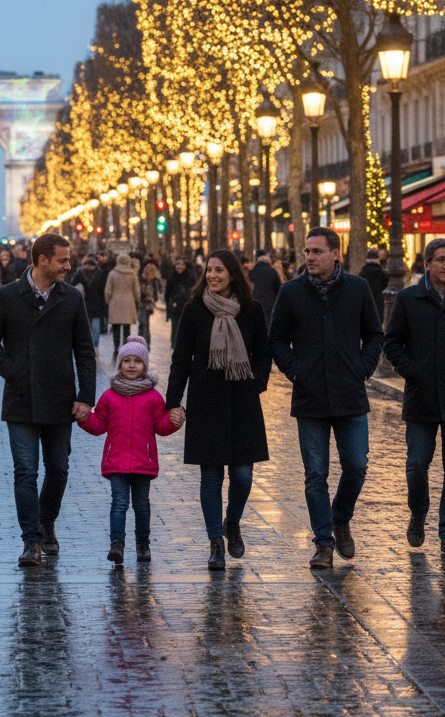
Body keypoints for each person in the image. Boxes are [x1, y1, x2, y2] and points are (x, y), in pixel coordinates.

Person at [268, 227, 384, 568]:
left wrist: (362, 368)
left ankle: (340, 518)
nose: (310, 257)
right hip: (310, 397)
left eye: (317, 251)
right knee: (316, 474)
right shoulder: (291, 292)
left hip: (350, 395)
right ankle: (323, 543)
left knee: (357, 466)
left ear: (336, 254)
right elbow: (276, 339)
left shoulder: (357, 288)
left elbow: (374, 334)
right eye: (307, 251)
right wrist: (297, 371)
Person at [0, 233, 96, 567]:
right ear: (43, 260)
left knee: (58, 469)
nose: (68, 266)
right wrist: (12, 370)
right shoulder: (7, 295)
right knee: (25, 473)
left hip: (60, 399)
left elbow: (85, 351)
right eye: (62, 260)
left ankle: (46, 521)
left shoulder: (72, 298)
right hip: (21, 398)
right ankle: (31, 540)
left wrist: (86, 397)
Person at [165, 249, 272, 570]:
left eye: (219, 270)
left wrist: (257, 384)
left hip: (243, 400)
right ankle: (215, 542)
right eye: (209, 270)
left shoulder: (251, 310)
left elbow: (263, 353)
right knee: (211, 477)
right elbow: (181, 359)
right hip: (206, 400)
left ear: (233, 274)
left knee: (243, 475)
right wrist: (173, 401)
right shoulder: (194, 310)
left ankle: (232, 521)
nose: (212, 275)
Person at [78, 335, 183, 566]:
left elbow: (161, 426)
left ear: (145, 365)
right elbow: (99, 425)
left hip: (143, 462)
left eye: (138, 361)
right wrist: (84, 419)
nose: (132, 365)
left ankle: (143, 544)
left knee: (142, 505)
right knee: (119, 504)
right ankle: (117, 544)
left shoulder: (153, 397)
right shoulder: (109, 396)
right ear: (120, 365)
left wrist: (173, 422)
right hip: (116, 462)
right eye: (127, 361)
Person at [383, 237, 445, 553]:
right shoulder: (409, 299)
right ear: (427, 264)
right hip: (422, 396)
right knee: (417, 464)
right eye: (441, 259)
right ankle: (418, 513)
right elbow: (391, 342)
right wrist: (413, 371)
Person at [105, 253, 139, 359]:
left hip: (115, 302)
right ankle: (125, 347)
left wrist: (108, 300)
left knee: (116, 326)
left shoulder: (112, 274)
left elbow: (108, 290)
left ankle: (116, 347)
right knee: (127, 327)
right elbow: (136, 290)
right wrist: (137, 299)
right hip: (129, 302)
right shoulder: (132, 274)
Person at [163, 257, 194, 347]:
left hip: (187, 307)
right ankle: (175, 344)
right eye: (177, 264)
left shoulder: (190, 278)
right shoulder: (171, 277)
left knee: (186, 327)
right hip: (175, 307)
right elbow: (167, 294)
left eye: (182, 264)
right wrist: (168, 307)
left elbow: (193, 293)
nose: (179, 266)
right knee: (175, 326)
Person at [250, 249, 283, 329]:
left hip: (256, 302)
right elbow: (278, 288)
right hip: (270, 304)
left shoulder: (252, 272)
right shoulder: (272, 271)